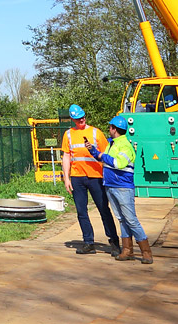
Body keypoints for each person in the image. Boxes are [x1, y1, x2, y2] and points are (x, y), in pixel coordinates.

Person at [86, 116, 151, 264]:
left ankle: (146, 252)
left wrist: (102, 155)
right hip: (111, 186)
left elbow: (118, 163)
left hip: (123, 187)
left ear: (114, 129)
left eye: (110, 127)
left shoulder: (125, 146)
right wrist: (93, 151)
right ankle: (127, 250)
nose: (108, 129)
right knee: (122, 219)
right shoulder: (113, 144)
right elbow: (103, 158)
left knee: (131, 220)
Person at [61, 103, 121, 255]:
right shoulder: (68, 134)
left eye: (82, 117)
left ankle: (114, 242)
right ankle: (88, 242)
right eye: (78, 119)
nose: (81, 120)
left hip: (95, 176)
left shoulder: (96, 133)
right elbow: (66, 156)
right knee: (81, 211)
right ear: (72, 119)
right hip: (77, 177)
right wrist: (66, 178)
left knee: (104, 210)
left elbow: (107, 154)